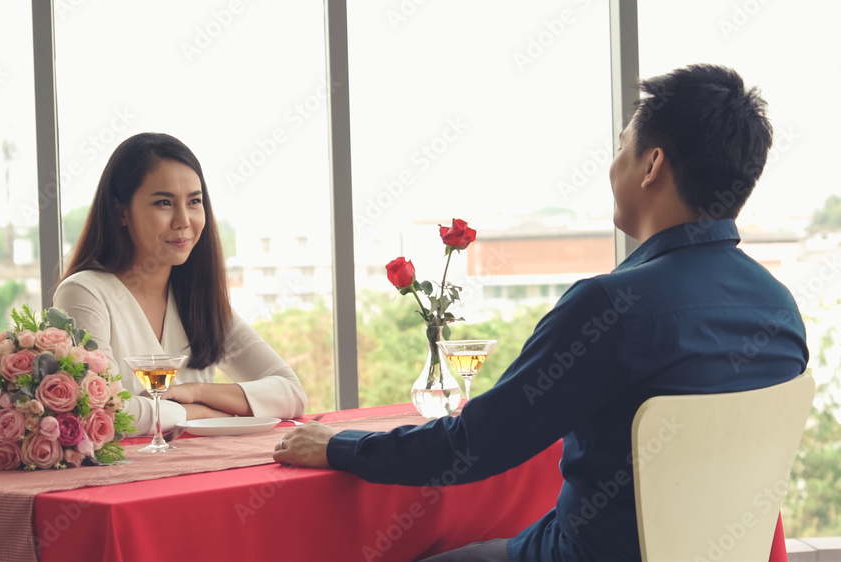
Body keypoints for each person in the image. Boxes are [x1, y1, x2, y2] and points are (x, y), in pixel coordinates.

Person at [273, 64, 809, 560]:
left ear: (652, 165)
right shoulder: (779, 309)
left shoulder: (611, 307)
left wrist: (343, 446)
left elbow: (473, 447)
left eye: (622, 147)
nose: (614, 164)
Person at [54, 132, 307, 436]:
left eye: (194, 202)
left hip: (200, 472)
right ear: (121, 212)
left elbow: (291, 394)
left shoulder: (199, 298)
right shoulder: (83, 292)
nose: (183, 220)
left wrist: (196, 392)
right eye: (164, 202)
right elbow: (105, 410)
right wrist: (198, 415)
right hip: (124, 480)